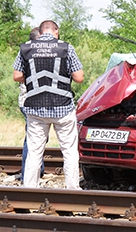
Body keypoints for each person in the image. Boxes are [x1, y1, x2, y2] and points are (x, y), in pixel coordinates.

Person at [13, 20, 84, 189]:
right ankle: (73, 189)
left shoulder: (26, 48)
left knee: (34, 152)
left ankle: (29, 190)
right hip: (63, 108)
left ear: (40, 31)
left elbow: (16, 76)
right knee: (69, 152)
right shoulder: (66, 48)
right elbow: (79, 78)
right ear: (56, 31)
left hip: (35, 108)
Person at [18, 27, 45, 182]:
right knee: (33, 139)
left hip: (27, 100)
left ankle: (36, 170)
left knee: (34, 137)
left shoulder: (26, 53)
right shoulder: (31, 53)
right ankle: (27, 174)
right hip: (31, 101)